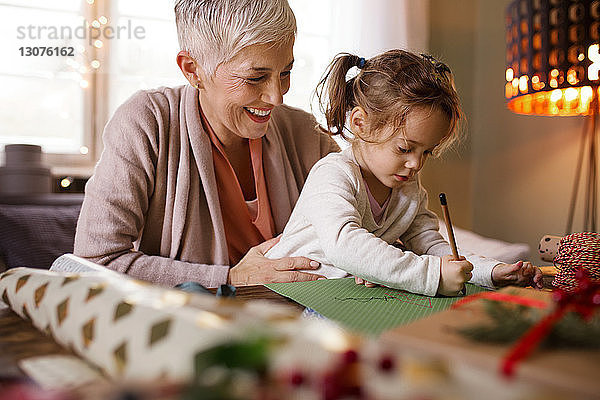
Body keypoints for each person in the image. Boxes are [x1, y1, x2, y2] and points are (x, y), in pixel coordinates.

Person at [73, 0, 339, 288]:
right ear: (193, 70)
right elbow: (94, 264)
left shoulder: (306, 133)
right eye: (255, 78)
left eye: (285, 73)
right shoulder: (147, 122)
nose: (276, 96)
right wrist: (230, 278)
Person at [265, 50, 543, 296]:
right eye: (405, 148)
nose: (416, 164)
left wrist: (490, 271)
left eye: (426, 152)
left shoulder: (407, 189)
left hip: (340, 299)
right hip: (285, 298)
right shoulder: (332, 174)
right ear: (360, 124)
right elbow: (346, 245)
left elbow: (431, 245)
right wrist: (431, 276)